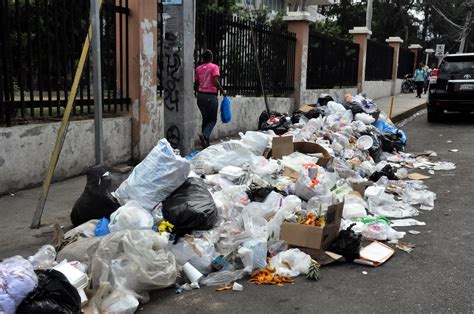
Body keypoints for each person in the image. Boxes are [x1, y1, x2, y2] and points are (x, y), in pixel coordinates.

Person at [194, 50, 226, 148]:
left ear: (203, 58)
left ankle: (205, 144)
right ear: (211, 58)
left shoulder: (198, 68)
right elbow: (215, 81)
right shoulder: (214, 67)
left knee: (205, 119)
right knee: (212, 120)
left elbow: (196, 84)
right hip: (211, 96)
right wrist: (223, 91)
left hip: (200, 97)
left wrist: (197, 92)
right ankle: (205, 135)